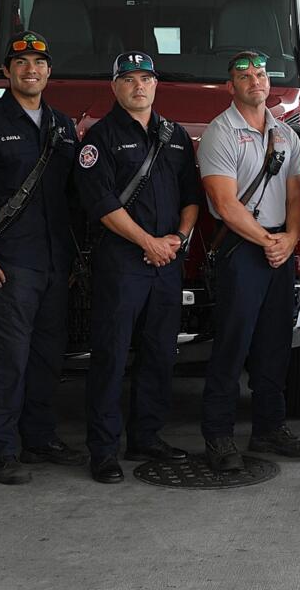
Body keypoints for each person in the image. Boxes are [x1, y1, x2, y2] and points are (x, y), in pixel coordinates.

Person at [0, 31, 85, 485]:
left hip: (53, 264)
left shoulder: (63, 126)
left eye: (39, 63)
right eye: (21, 63)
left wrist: (73, 259)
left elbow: (72, 199)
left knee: (47, 357)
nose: (31, 70)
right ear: (7, 72)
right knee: (10, 360)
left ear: (48, 72)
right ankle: (1, 451)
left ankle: (40, 438)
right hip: (7, 264)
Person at [75, 51, 200, 484]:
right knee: (110, 356)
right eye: (128, 79)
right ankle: (104, 451)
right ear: (115, 87)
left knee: (159, 354)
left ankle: (146, 436)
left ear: (155, 84)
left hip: (167, 263)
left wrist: (179, 240)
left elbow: (191, 197)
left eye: (146, 78)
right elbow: (102, 204)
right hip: (122, 263)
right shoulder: (99, 138)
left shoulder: (176, 136)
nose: (139, 86)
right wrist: (148, 242)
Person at [197, 51, 300, 472]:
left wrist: (291, 238)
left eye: (261, 74)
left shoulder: (286, 134)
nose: (254, 81)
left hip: (279, 246)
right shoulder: (219, 133)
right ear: (231, 86)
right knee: (232, 344)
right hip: (241, 249)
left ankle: (268, 428)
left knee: (275, 345)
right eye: (244, 76)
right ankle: (219, 436)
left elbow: (297, 194)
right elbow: (225, 205)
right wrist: (269, 240)